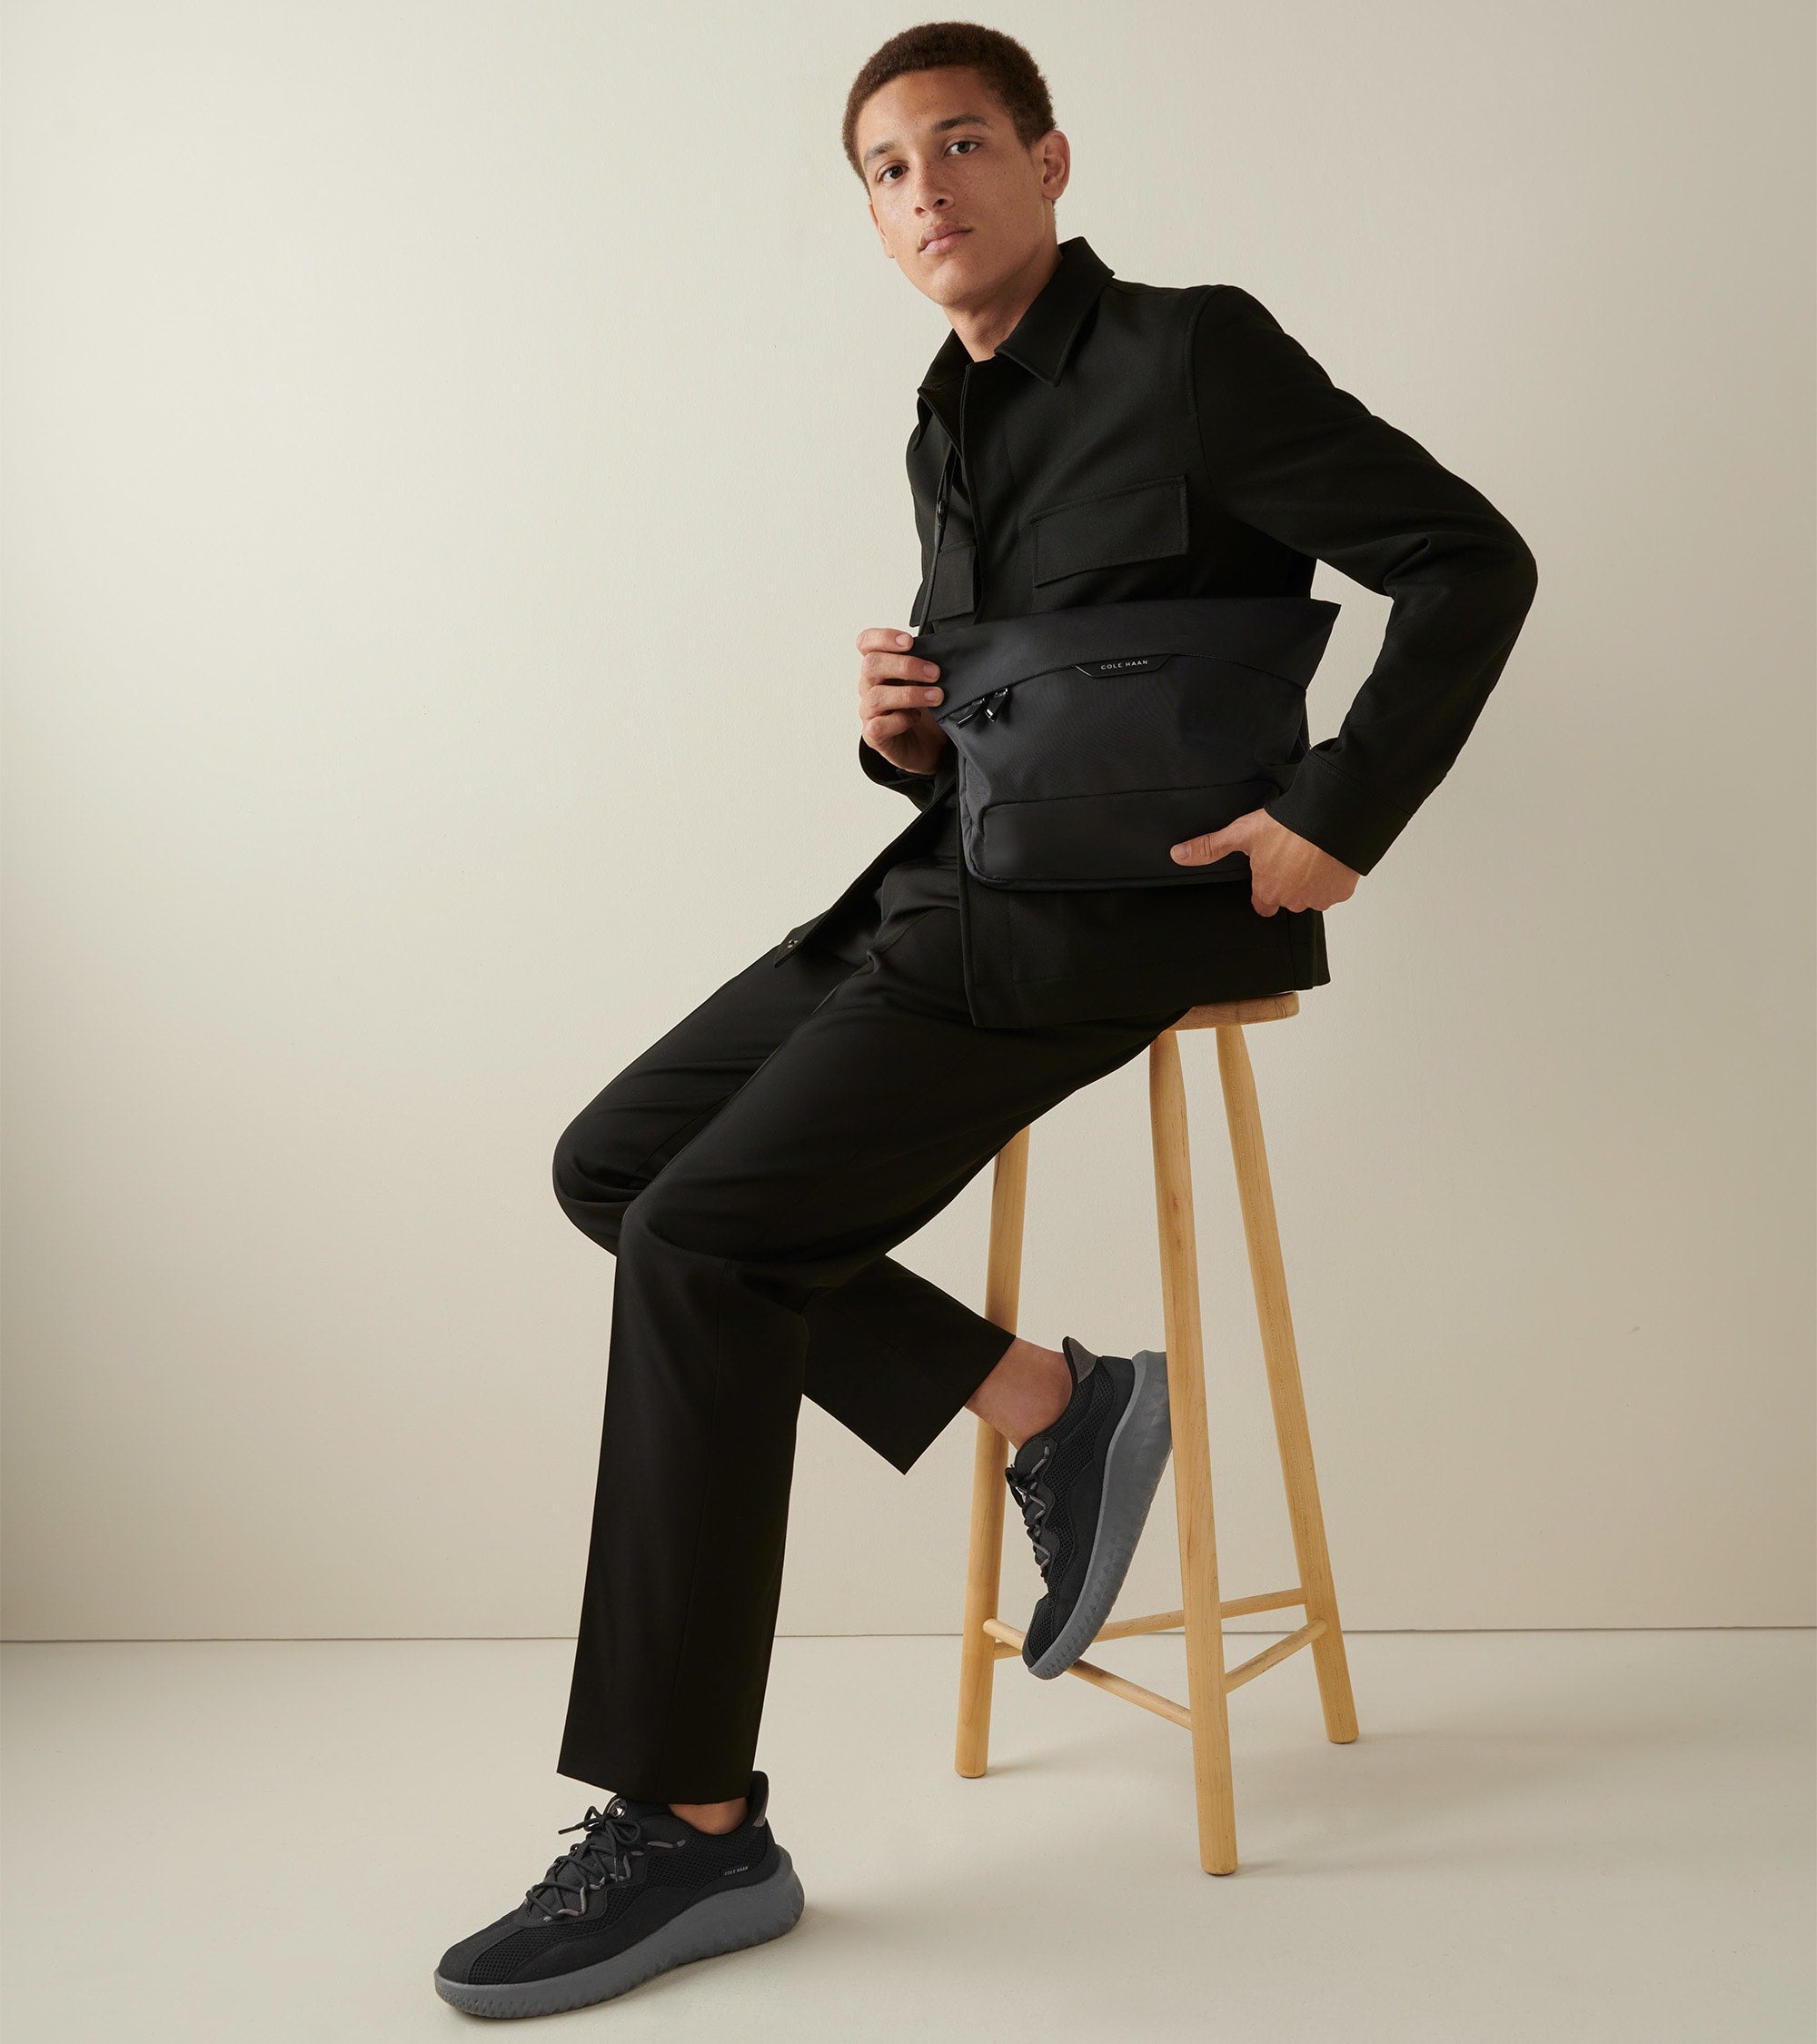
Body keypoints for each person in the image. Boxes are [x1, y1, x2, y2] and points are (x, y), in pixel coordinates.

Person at [433, 21, 1538, 2019]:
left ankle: (692, 1824)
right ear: (870, 218)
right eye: (886, 169)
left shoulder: (1192, 354)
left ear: (1046, 161)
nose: (924, 188)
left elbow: (1470, 561)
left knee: (702, 1242)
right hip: (941, 887)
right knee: (615, 1167)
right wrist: (904, 738)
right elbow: (1036, 714)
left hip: (1107, 923)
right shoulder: (942, 416)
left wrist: (1338, 811)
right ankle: (1049, 1401)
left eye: (958, 145)